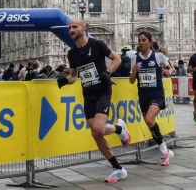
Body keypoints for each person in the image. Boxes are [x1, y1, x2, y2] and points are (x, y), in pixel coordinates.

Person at [56, 18, 130, 183]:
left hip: (103, 91)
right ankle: (118, 162)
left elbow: (116, 59)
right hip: (88, 94)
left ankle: (119, 164)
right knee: (97, 133)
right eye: (69, 28)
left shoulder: (97, 45)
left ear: (84, 28)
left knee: (97, 128)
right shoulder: (72, 53)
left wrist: (107, 72)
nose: (71, 30)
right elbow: (74, 76)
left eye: (74, 27)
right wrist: (65, 80)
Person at [128, 31, 175, 166]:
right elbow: (131, 81)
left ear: (149, 42)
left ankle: (162, 149)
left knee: (149, 119)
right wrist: (134, 72)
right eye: (139, 40)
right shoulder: (135, 58)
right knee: (149, 123)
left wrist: (167, 72)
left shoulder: (158, 56)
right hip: (143, 96)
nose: (141, 43)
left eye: (143, 40)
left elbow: (170, 69)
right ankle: (165, 150)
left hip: (157, 94)